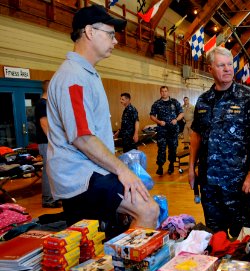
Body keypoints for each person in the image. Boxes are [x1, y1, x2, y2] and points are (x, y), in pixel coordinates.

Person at [46, 4, 159, 231]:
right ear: (89, 32)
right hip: (80, 179)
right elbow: (83, 137)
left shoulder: (87, 73)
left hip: (92, 173)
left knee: (116, 228)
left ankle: (119, 261)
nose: (115, 41)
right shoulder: (73, 77)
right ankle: (131, 265)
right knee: (148, 209)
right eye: (110, 34)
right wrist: (122, 170)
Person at [188, 47, 250, 238]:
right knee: (216, 236)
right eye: (221, 65)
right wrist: (191, 168)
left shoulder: (248, 98)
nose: (227, 69)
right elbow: (196, 135)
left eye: (229, 65)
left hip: (238, 183)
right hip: (209, 184)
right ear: (210, 69)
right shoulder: (203, 100)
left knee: (242, 236)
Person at [35, 80, 61, 208]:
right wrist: (53, 140)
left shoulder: (47, 104)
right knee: (48, 170)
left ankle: (54, 196)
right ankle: (47, 199)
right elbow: (44, 123)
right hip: (46, 142)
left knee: (53, 170)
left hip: (48, 141)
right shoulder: (42, 104)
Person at [150, 86, 184, 175]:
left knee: (173, 148)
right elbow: (152, 116)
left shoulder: (174, 102)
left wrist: (176, 119)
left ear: (168, 92)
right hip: (162, 130)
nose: (164, 93)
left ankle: (171, 165)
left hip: (173, 130)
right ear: (160, 93)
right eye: (162, 91)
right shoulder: (157, 103)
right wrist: (158, 121)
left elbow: (181, 113)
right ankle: (160, 166)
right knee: (161, 148)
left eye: (165, 91)